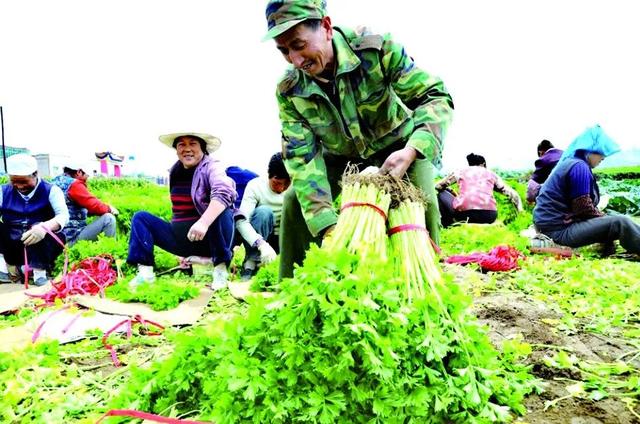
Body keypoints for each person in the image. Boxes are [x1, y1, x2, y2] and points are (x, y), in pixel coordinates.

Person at [264, 0, 454, 279]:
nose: (295, 59)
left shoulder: (376, 49)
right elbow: (301, 159)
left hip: (399, 146)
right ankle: (295, 289)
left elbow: (435, 98)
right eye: (284, 51)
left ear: (326, 27)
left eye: (299, 44)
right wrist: (329, 227)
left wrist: (413, 150)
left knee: (421, 203)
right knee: (295, 201)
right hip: (341, 156)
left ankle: (424, 281)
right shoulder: (290, 90)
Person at [126, 133, 237, 290]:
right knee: (141, 218)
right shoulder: (175, 171)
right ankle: (145, 273)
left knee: (219, 209)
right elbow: (179, 210)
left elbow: (224, 191)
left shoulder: (212, 167)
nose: (187, 149)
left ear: (203, 149)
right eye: (181, 145)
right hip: (184, 238)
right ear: (176, 149)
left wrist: (204, 222)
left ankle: (220, 270)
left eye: (192, 144)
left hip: (210, 238)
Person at [534, 125, 640, 255]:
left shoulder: (572, 163)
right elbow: (583, 208)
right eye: (601, 153)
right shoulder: (579, 167)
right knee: (620, 222)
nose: (603, 157)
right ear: (590, 151)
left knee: (609, 220)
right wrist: (604, 217)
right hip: (558, 231)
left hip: (549, 226)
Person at [0, 154, 69, 286]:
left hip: (43, 247)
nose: (19, 186)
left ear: (35, 174)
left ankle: (39, 274)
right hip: (13, 244)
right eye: (14, 182)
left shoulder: (51, 191)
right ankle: (2, 269)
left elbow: (63, 216)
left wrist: (44, 227)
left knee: (37, 226)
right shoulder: (3, 191)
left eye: (24, 182)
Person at [235, 152, 291, 280]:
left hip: (284, 237)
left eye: (286, 183)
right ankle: (251, 262)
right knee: (264, 212)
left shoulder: (296, 187)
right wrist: (261, 244)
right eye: (277, 183)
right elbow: (241, 221)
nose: (282, 188)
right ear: (269, 175)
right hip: (262, 239)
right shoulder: (255, 186)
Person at [435, 153, 523, 227]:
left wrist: (449, 189)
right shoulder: (491, 174)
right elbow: (513, 194)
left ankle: (447, 224)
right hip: (489, 216)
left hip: (465, 215)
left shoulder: (460, 172)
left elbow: (438, 186)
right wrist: (520, 211)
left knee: (441, 193)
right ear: (484, 164)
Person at [51, 161, 118, 245]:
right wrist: (109, 208)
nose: (87, 179)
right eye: (87, 175)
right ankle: (109, 253)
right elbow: (94, 205)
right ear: (79, 172)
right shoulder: (74, 184)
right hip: (70, 239)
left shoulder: (54, 182)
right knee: (108, 219)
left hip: (54, 239)